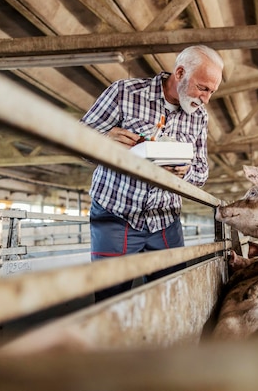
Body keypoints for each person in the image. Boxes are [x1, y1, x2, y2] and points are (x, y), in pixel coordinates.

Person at [80, 45, 224, 302]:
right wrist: (104, 140)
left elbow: (201, 172)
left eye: (211, 92)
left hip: (164, 220)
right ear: (179, 73)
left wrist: (185, 171)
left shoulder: (199, 117)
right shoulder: (124, 93)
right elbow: (77, 138)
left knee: (169, 297)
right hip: (116, 213)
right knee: (111, 299)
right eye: (203, 88)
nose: (206, 99)